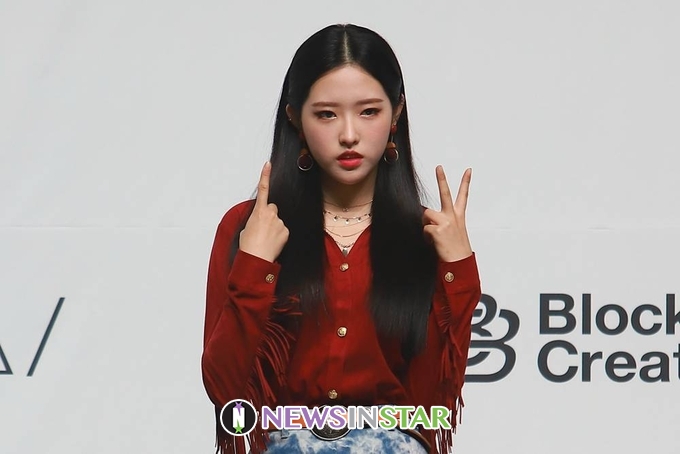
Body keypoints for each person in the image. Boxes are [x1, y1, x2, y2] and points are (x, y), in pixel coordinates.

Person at [202, 23, 481, 454]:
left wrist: (457, 273)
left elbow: (429, 408)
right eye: (326, 114)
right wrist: (255, 266)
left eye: (368, 112)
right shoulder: (249, 226)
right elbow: (227, 396)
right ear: (295, 118)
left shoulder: (427, 237)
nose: (349, 134)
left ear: (396, 114)